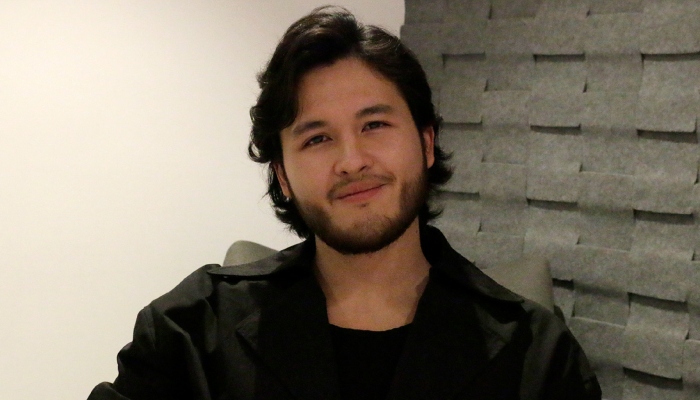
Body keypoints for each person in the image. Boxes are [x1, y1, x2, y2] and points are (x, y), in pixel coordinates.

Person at [88, 6, 601, 400]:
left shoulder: (538, 355)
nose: (351, 161)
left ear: (425, 144)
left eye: (374, 124)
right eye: (317, 139)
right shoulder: (191, 330)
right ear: (282, 176)